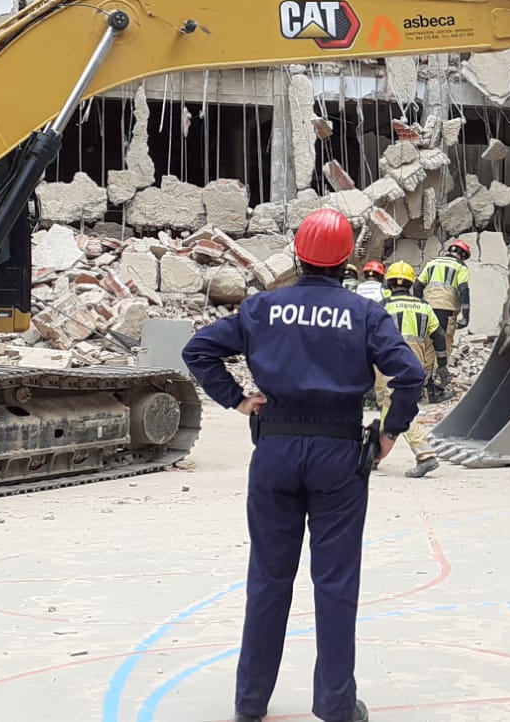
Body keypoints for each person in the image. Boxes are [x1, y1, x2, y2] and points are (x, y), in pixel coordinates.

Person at [180, 208, 425, 722]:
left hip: (275, 448)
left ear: (297, 253)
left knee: (268, 577)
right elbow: (409, 375)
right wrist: (388, 432)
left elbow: (198, 350)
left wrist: (238, 399)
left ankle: (250, 702)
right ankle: (335, 704)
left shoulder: (263, 308)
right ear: (347, 261)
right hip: (338, 453)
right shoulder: (363, 314)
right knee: (335, 582)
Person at [378, 262, 443, 478]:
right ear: (411, 283)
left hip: (392, 364)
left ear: (388, 282)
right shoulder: (424, 307)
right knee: (390, 407)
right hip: (417, 365)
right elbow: (439, 336)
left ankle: (425, 454)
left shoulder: (384, 305)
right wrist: (441, 365)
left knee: (400, 408)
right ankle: (374, 456)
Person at [416, 240, 473, 383]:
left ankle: (423, 378)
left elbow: (417, 286)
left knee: (427, 342)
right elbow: (463, 290)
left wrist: (419, 305)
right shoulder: (460, 267)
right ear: (463, 255)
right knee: (443, 344)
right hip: (446, 310)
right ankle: (437, 381)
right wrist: (465, 316)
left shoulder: (431, 264)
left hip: (427, 309)